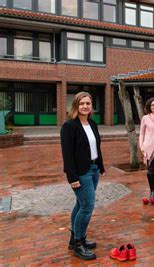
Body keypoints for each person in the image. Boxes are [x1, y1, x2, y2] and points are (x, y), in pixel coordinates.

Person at [60, 92, 104, 260]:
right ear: (76, 106)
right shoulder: (69, 126)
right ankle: (79, 243)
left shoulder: (92, 123)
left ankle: (75, 239)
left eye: (88, 103)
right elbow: (67, 155)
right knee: (87, 206)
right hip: (81, 172)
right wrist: (72, 178)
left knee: (80, 204)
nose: (85, 106)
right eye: (82, 103)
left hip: (93, 168)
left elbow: (96, 147)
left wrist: (100, 166)